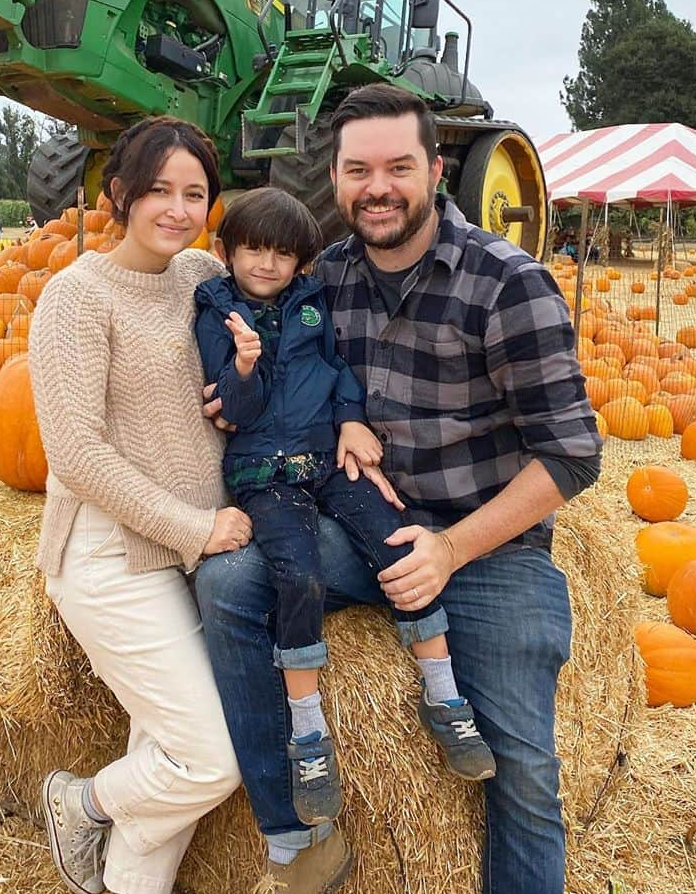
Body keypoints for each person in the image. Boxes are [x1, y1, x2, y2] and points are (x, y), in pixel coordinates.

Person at [195, 85, 602, 894]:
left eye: (396, 168)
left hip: (482, 545)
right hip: (358, 518)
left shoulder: (508, 283)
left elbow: (573, 454)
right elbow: (225, 297)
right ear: (335, 181)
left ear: (436, 170)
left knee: (525, 772)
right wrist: (235, 396)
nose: (376, 188)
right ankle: (294, 837)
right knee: (227, 579)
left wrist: (452, 548)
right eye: (357, 171)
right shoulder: (326, 279)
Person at [194, 188, 495, 827]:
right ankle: (308, 736)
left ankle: (444, 696)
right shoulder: (216, 312)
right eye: (254, 251)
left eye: (283, 254)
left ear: (302, 262)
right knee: (296, 573)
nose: (268, 266)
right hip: (265, 473)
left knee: (396, 538)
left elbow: (338, 371)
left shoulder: (311, 304)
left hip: (326, 456)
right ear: (228, 252)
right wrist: (243, 368)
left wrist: (353, 420)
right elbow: (232, 414)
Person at [28, 116, 245, 894]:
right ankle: (80, 804)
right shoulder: (77, 297)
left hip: (190, 551)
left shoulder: (202, 274)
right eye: (158, 190)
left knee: (166, 736)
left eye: (195, 192)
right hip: (112, 558)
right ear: (118, 193)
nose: (178, 208)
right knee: (206, 759)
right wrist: (195, 527)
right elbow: (77, 453)